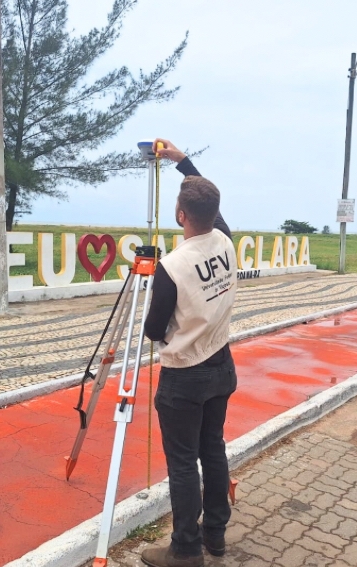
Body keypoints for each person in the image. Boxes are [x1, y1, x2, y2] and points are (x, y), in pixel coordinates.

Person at [140, 139, 237, 567]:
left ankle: (184, 549)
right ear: (214, 214)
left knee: (182, 463)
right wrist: (182, 162)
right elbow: (210, 208)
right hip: (221, 364)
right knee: (212, 449)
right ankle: (215, 535)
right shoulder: (226, 241)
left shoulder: (172, 267)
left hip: (184, 375)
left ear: (181, 215)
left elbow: (152, 331)